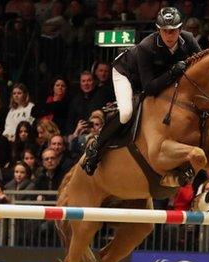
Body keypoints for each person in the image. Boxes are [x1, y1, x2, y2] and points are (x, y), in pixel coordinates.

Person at [82, 7, 201, 175]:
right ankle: (96, 148)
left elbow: (202, 65)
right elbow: (149, 87)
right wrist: (173, 72)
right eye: (164, 31)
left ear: (181, 29)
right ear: (158, 30)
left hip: (156, 78)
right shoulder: (147, 46)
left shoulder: (188, 40)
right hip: (126, 74)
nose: (169, 35)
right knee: (126, 113)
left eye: (173, 31)